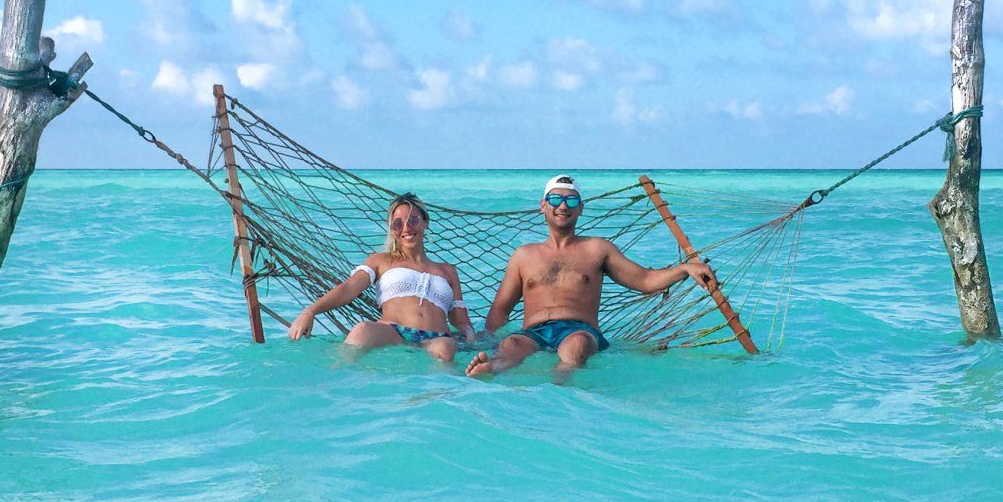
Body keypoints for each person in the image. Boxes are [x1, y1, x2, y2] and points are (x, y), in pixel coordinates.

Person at [466, 174, 713, 380]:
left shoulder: (597, 249)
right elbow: (500, 310)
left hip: (580, 330)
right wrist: (488, 338)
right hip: (534, 332)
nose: (563, 206)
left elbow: (645, 280)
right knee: (511, 345)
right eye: (555, 199)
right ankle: (492, 368)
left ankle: (558, 386)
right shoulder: (524, 255)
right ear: (543, 206)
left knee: (577, 346)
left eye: (571, 201)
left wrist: (684, 269)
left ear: (581, 208)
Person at [286, 193, 476, 363]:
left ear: (425, 222)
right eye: (398, 223)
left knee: (446, 348)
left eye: (413, 220)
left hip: (436, 337)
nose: (406, 228)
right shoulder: (381, 261)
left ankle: (437, 396)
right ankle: (337, 384)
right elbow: (349, 288)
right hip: (393, 331)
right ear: (392, 229)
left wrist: (469, 333)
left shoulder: (448, 271)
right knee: (361, 331)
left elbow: (460, 319)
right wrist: (310, 311)